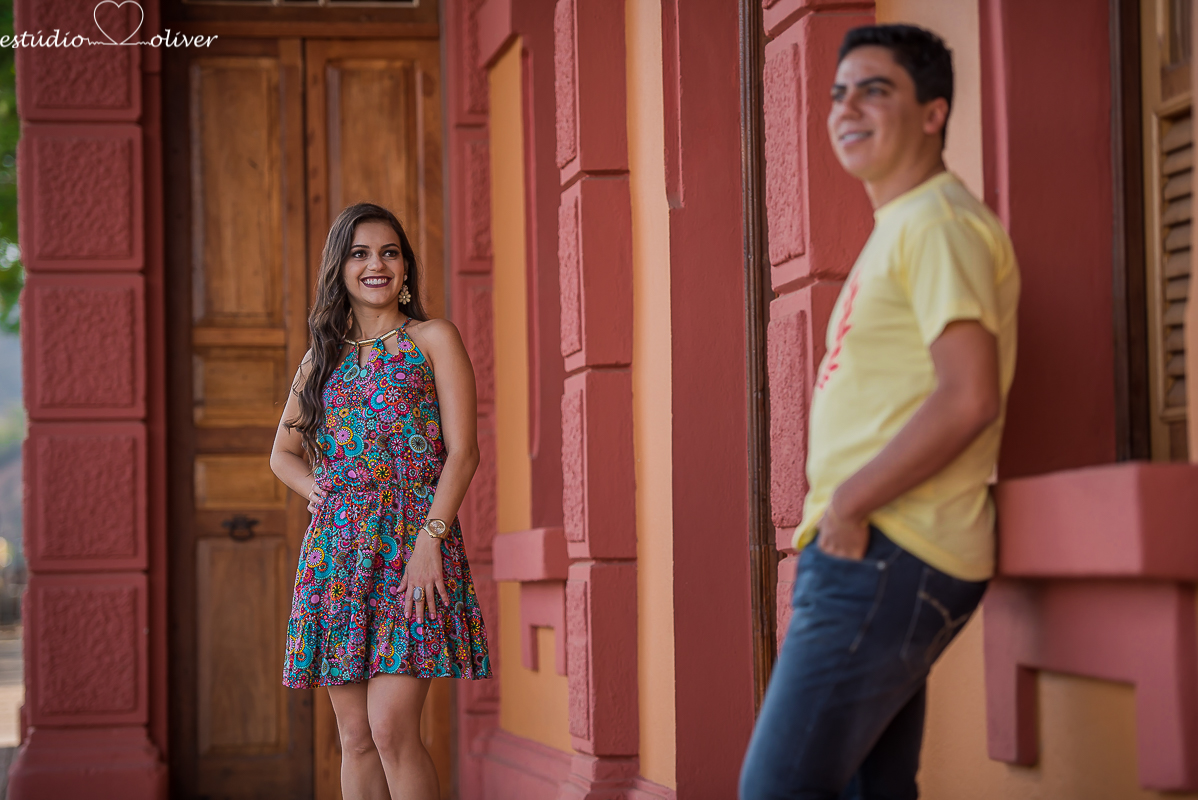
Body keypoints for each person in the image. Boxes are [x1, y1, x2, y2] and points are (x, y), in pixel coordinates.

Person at [740, 24, 1020, 800]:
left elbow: (968, 394)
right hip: (882, 550)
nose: (847, 107)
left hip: (890, 546)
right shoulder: (904, 225)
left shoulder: (936, 223)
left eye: (875, 89)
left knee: (777, 789)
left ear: (933, 112)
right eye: (837, 92)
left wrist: (851, 504)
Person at [271, 202, 491, 800]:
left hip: (411, 551)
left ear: (405, 267)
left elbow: (464, 452)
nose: (376, 264)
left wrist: (429, 543)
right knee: (356, 736)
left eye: (389, 252)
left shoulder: (433, 339)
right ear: (338, 268)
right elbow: (281, 453)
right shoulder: (321, 359)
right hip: (338, 560)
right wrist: (322, 491)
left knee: (392, 729)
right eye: (360, 253)